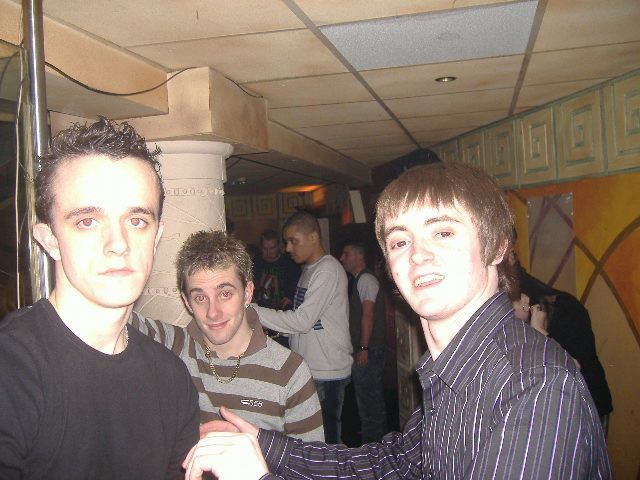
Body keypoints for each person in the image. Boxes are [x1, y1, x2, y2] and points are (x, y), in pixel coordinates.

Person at [183, 162, 611, 480]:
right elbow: (387, 464)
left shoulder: (534, 385)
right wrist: (263, 442)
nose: (418, 255)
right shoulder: (451, 373)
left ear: (497, 246)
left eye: (443, 232)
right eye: (400, 241)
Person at [0, 117, 200, 479]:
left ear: (156, 237)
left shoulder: (172, 379)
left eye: (137, 221)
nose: (118, 244)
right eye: (88, 221)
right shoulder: (12, 369)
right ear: (49, 240)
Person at [131, 230, 324, 441]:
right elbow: (115, 317)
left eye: (225, 294)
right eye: (200, 298)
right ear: (187, 302)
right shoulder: (174, 346)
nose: (213, 313)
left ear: (247, 293)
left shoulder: (289, 371)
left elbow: (308, 459)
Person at [251, 211, 352, 444]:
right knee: (312, 440)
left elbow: (303, 321)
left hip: (326, 369)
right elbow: (304, 324)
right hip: (313, 367)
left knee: (326, 445)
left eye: (293, 241)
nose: (288, 248)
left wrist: (252, 311)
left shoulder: (327, 269)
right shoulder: (310, 270)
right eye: (286, 242)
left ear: (313, 237)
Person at [513, 266, 613, 421]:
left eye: (506, 305)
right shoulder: (518, 323)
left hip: (587, 407)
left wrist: (541, 334)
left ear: (524, 299)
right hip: (557, 408)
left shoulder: (563, 309)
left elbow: (575, 368)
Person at [340, 241, 388, 443]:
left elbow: (368, 314)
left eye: (346, 253)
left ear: (359, 256)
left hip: (370, 350)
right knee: (368, 401)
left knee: (370, 403)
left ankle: (375, 448)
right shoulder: (359, 280)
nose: (342, 258)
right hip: (368, 349)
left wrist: (363, 348)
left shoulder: (366, 279)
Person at [252, 229, 301, 347]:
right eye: (265, 248)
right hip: (261, 318)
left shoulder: (290, 263)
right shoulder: (255, 264)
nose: (268, 252)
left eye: (272, 248)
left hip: (283, 319)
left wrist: (290, 297)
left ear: (279, 247)